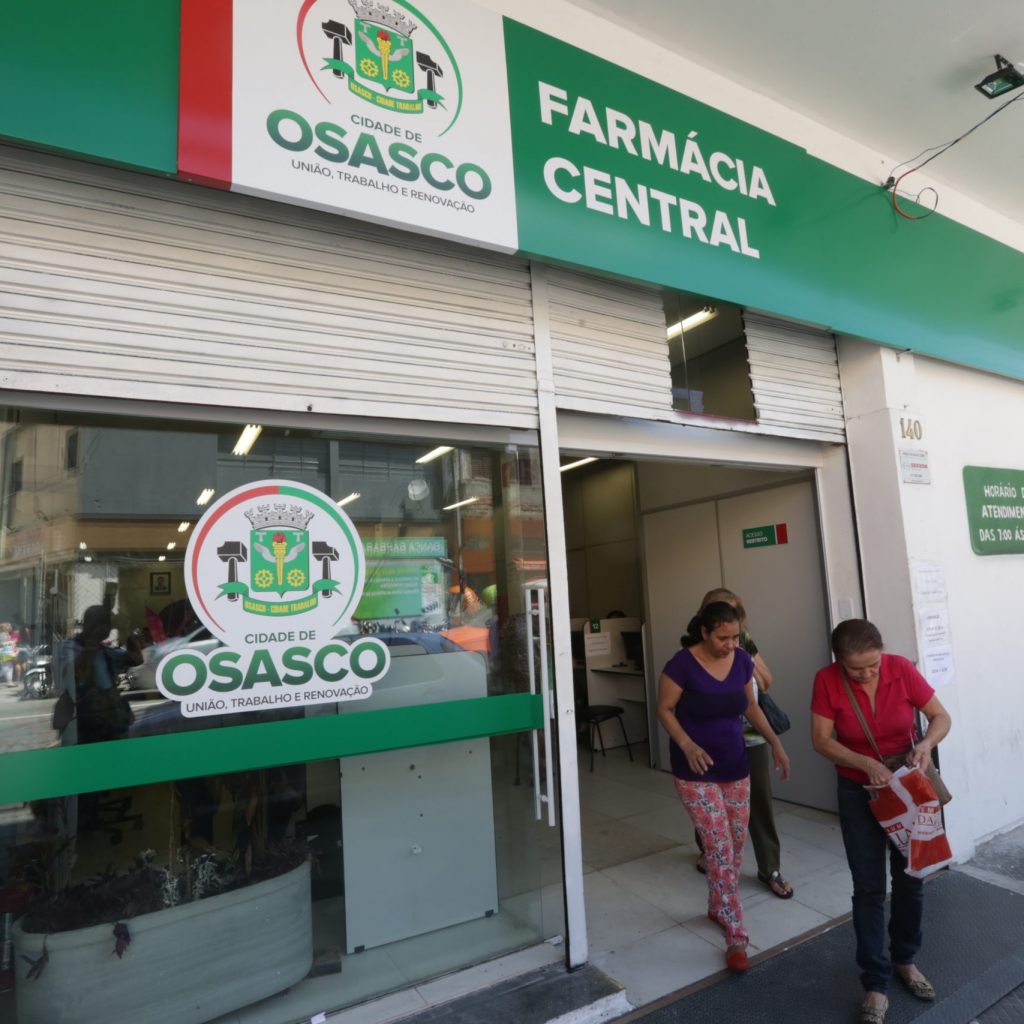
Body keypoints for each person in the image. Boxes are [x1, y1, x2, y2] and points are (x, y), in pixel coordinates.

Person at [811, 619, 952, 1024]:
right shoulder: (826, 680)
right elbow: (821, 739)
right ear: (839, 661)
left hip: (906, 786)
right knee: (868, 886)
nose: (868, 673)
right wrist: (864, 763)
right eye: (857, 668)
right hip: (859, 791)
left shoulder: (901, 669)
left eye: (873, 664)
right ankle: (875, 981)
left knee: (910, 876)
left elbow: (940, 717)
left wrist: (925, 744)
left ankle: (905, 959)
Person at [657, 601, 790, 973]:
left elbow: (751, 706)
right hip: (695, 770)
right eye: (723, 638)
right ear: (704, 632)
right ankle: (735, 933)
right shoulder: (681, 665)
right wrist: (686, 744)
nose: (731, 644)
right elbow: (664, 709)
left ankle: (718, 905)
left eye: (735, 637)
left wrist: (776, 743)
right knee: (718, 848)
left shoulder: (743, 661)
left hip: (736, 766)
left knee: (735, 846)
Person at [691, 588, 793, 899]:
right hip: (711, 738)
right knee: (710, 801)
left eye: (733, 613)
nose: (728, 622)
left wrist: (744, 659)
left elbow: (765, 683)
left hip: (750, 735)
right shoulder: (691, 650)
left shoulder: (743, 642)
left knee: (759, 802)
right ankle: (709, 852)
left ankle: (770, 867)